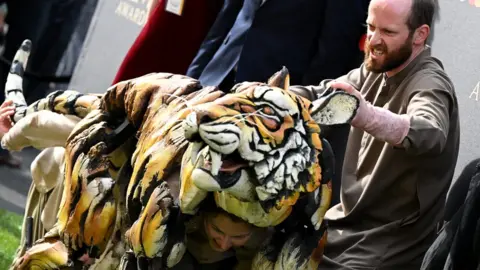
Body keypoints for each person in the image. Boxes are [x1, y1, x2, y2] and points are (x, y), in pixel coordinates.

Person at [290, 0, 459, 268]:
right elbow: (319, 95)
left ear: (420, 34)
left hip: (387, 246)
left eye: (388, 32)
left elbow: (430, 132)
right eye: (370, 27)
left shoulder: (430, 83)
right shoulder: (374, 69)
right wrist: (258, 98)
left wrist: (366, 115)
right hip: (338, 227)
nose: (375, 40)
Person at [186, 0, 370, 206]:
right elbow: (226, 20)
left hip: (271, 116)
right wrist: (194, 80)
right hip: (219, 83)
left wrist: (296, 108)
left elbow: (336, 46)